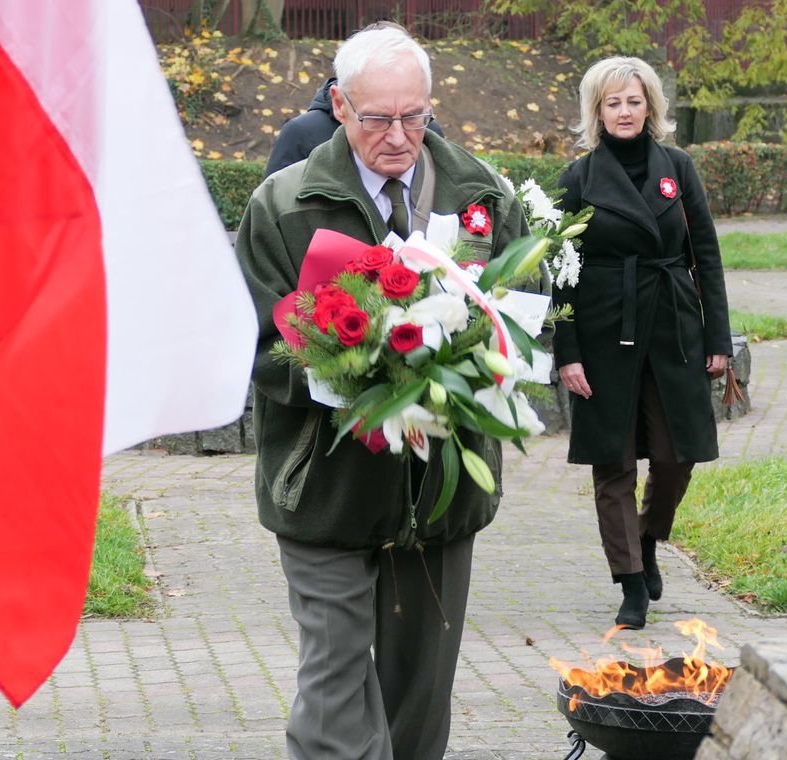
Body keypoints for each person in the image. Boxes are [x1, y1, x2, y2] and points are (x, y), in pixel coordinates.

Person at [235, 26, 542, 760]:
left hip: (438, 499)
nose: (399, 136)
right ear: (340, 106)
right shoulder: (285, 204)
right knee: (336, 712)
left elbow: (522, 319)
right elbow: (253, 345)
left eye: (415, 116)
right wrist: (347, 374)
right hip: (326, 492)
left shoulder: (482, 198)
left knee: (418, 713)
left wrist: (473, 367)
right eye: (377, 118)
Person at [554, 56, 733, 630]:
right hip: (604, 327)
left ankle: (650, 537)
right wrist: (568, 351)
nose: (624, 111)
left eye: (634, 101)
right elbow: (561, 272)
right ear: (597, 112)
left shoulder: (678, 167)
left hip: (673, 326)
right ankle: (630, 581)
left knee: (678, 455)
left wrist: (718, 336)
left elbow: (706, 254)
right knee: (613, 461)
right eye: (613, 103)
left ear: (649, 107)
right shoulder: (577, 179)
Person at [263, 22, 443, 178]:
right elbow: (276, 204)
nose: (397, 139)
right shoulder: (301, 133)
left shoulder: (430, 132)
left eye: (411, 117)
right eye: (378, 119)